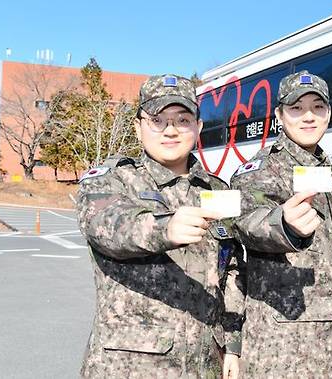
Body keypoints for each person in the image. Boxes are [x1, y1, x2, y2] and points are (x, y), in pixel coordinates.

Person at [77, 74, 241, 378]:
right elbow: (107, 227)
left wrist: (232, 345)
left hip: (205, 364)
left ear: (198, 127)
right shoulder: (110, 179)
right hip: (130, 366)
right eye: (158, 120)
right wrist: (163, 228)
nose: (170, 130)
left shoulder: (218, 190)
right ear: (139, 127)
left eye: (182, 120)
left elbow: (230, 272)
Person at [222, 70, 332, 378]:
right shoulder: (259, 171)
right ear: (279, 114)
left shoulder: (331, 173)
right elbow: (245, 222)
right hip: (285, 351)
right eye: (296, 108)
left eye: (318, 107)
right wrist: (283, 225)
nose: (309, 117)